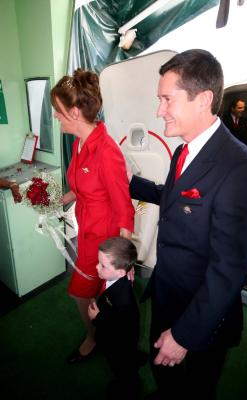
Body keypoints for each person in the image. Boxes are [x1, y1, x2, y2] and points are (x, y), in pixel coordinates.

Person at [129, 49, 247, 399]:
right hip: (167, 293)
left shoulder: (243, 171)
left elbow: (229, 270)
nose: (159, 110)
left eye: (166, 99)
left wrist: (184, 335)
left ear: (203, 99)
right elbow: (176, 197)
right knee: (163, 374)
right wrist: (130, 183)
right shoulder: (183, 150)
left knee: (197, 389)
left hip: (201, 314)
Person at [50, 69, 135, 363]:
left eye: (58, 112)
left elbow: (124, 208)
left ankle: (94, 337)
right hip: (86, 227)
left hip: (104, 239)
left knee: (79, 293)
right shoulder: (79, 143)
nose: (56, 117)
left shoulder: (106, 150)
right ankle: (104, 334)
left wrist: (124, 264)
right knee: (97, 295)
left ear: (74, 112)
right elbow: (84, 184)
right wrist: (64, 198)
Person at [88, 236, 141, 399]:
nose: (97, 267)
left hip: (120, 347)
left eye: (102, 265)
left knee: (122, 371)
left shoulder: (124, 300)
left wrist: (97, 318)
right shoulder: (115, 279)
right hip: (115, 340)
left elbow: (121, 328)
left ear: (120, 272)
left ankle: (127, 388)